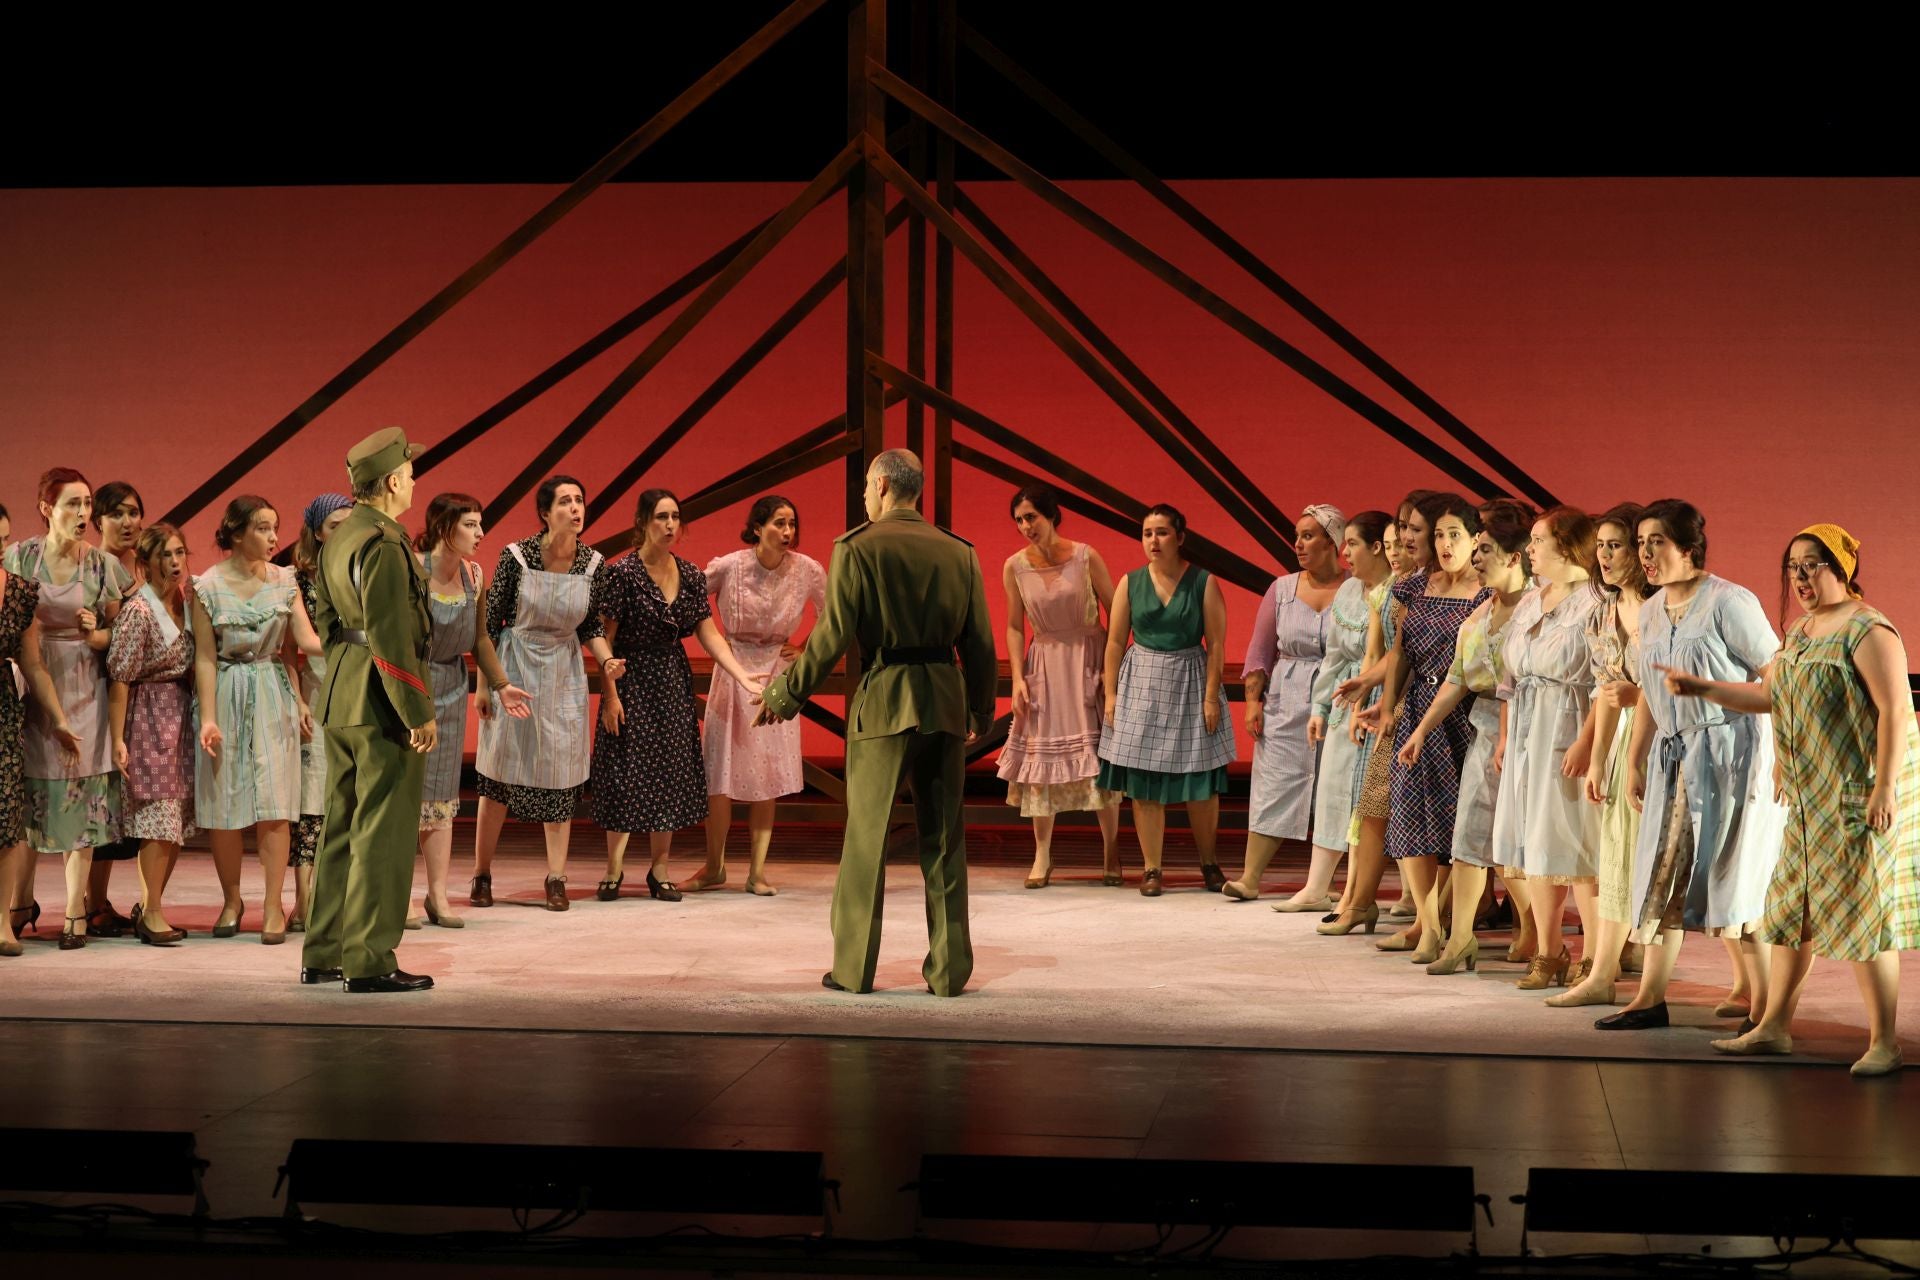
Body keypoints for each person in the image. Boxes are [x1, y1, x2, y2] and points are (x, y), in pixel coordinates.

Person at [1668, 526, 1916, 1077]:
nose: (1800, 577)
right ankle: (1774, 1026)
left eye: (1812, 565)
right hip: (1807, 799)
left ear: (1842, 568)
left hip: (1854, 791)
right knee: (1792, 912)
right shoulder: (1801, 631)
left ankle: (1884, 1042)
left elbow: (1896, 710)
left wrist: (1883, 787)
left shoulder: (1868, 630)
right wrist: (1703, 688)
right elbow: (1771, 696)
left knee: (1864, 912)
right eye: (1793, 567)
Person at [756, 449, 996, 996]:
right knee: (944, 841)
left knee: (867, 841)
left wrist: (786, 692)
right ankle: (949, 972)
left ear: (883, 485)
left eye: (867, 485)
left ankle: (853, 969)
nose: (865, 494)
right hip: (944, 700)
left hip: (886, 699)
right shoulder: (959, 551)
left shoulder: (857, 547)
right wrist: (981, 708)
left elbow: (832, 634)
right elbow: (979, 641)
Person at [1598, 499, 1785, 1033]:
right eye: (1641, 542)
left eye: (1656, 541)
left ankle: (1765, 1008)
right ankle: (1648, 999)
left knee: (1734, 877)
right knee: (1663, 872)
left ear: (1688, 547)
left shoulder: (1729, 601)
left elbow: (1777, 677)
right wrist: (1634, 758)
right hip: (1673, 758)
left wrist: (1782, 755)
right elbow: (1652, 691)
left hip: (1730, 756)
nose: (1645, 553)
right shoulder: (1652, 610)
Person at [300, 428, 439, 993]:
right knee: (382, 831)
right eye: (409, 473)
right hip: (382, 699)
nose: (414, 481)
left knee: (340, 826)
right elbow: (390, 634)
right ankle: (369, 960)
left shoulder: (339, 539)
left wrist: (346, 673)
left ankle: (324, 952)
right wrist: (416, 708)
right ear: (391, 482)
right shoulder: (382, 542)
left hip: (343, 692)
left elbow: (328, 623)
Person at [591, 490, 763, 901]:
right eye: (661, 517)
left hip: (670, 680)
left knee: (668, 773)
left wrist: (742, 676)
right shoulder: (623, 573)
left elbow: (709, 634)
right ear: (643, 522)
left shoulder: (689, 574)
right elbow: (604, 638)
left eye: (674, 517)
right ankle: (613, 868)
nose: (670, 525)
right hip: (630, 678)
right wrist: (610, 697)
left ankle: (660, 869)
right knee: (625, 773)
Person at [470, 475, 624, 912]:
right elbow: (488, 625)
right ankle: (482, 874)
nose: (575, 508)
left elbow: (591, 626)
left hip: (563, 673)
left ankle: (556, 877)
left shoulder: (593, 564)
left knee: (560, 774)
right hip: (513, 668)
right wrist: (485, 686)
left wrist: (606, 661)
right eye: (565, 502)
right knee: (498, 776)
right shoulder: (517, 556)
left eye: (579, 500)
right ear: (545, 512)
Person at [1398, 498, 1535, 974]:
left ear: (1514, 557)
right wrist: (1420, 730)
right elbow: (1457, 679)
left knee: (1523, 845)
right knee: (1469, 839)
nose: (1476, 558)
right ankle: (1459, 941)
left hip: (1533, 731)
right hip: (1486, 729)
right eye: (1476, 549)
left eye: (1485, 550)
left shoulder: (1538, 609)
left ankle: (1542, 934)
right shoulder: (1479, 616)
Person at [1360, 492, 1487, 964]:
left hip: (1464, 714)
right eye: (1439, 535)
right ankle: (1429, 927)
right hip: (1417, 709)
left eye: (1455, 535)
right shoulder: (1415, 587)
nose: (1445, 544)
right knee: (1410, 816)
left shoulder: (1485, 591)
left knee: (1457, 825)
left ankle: (1450, 925)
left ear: (1474, 539)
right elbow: (1400, 653)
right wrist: (1387, 706)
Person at [5, 469, 125, 950]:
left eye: (87, 503)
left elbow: (120, 636)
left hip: (84, 688)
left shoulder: (100, 566)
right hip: (31, 686)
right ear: (46, 509)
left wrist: (96, 633)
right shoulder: (20, 558)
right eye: (72, 504)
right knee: (30, 797)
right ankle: (20, 902)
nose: (83, 513)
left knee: (81, 798)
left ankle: (75, 910)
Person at [193, 494, 320, 942]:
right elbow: (205, 657)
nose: (273, 537)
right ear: (236, 533)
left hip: (270, 690)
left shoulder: (285, 581)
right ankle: (232, 900)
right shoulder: (207, 586)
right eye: (263, 528)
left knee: (275, 803)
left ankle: (272, 904)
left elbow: (303, 640)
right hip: (226, 690)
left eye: (274, 528)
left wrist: (354, 640)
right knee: (225, 805)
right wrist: (208, 718)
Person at [689, 494, 826, 895]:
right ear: (757, 527)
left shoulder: (807, 570)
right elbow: (690, 598)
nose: (787, 531)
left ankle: (757, 871)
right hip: (733, 669)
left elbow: (833, 613)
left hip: (776, 674)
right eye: (779, 523)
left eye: (791, 524)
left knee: (768, 774)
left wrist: (805, 650)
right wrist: (713, 641)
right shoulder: (730, 566)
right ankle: (714, 866)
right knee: (719, 774)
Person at [1097, 504, 1235, 896]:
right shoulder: (1130, 582)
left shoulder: (1202, 582)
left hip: (1190, 679)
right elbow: (1114, 641)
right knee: (1144, 782)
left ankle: (1209, 863)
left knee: (1200, 778)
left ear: (1180, 537)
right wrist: (1111, 694)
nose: (1153, 541)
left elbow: (1217, 643)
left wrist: (1211, 696)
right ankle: (1151, 868)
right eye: (1147, 533)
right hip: (1142, 681)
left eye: (1161, 532)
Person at [1493, 506, 1602, 991]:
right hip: (1527, 729)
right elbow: (1508, 679)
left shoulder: (1596, 602)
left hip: (1571, 723)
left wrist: (1588, 741)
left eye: (1539, 540)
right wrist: (1505, 736)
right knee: (1534, 839)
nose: (1530, 549)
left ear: (1567, 545)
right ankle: (1549, 950)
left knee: (1577, 841)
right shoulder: (1531, 601)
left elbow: (1607, 679)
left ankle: (1595, 956)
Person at [1549, 502, 1652, 1009]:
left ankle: (1750, 984)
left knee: (1664, 863)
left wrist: (1638, 700)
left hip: (1661, 737)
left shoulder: (1662, 608)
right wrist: (1597, 758)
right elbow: (1607, 690)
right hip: (1624, 739)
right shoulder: (1604, 612)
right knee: (1613, 857)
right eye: (1601, 546)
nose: (1605, 556)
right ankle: (1602, 972)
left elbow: (1665, 684)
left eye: (1617, 545)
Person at [995, 484, 1120, 889]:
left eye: (1031, 517)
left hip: (1087, 659)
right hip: (1045, 664)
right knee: (1040, 761)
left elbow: (1117, 613)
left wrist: (1112, 668)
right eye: (1019, 520)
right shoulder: (1015, 566)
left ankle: (1111, 850)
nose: (1025, 526)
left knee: (1097, 759)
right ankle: (1042, 854)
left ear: (1051, 514)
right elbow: (1015, 627)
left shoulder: (1085, 556)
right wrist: (1017, 678)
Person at [414, 493, 529, 927]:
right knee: (406, 797)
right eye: (470, 525)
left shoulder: (474, 575)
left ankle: (438, 895)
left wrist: (501, 685)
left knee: (440, 795)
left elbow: (480, 638)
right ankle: (398, 895)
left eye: (480, 524)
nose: (480, 533)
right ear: (443, 527)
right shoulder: (412, 572)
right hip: (410, 685)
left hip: (450, 686)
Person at [1226, 504, 1347, 904]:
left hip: (1339, 697)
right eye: (1297, 536)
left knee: (1334, 787)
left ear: (1332, 543)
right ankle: (1250, 877)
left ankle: (1326, 882)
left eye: (1308, 536)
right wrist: (1253, 702)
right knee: (1275, 782)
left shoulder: (1355, 589)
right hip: (1286, 697)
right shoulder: (1281, 589)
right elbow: (1260, 651)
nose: (1298, 544)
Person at [106, 524, 196, 945]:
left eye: (179, 553)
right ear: (146, 562)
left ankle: (150, 904)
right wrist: (117, 738)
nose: (175, 562)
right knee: (158, 817)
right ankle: (153, 912)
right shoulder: (140, 610)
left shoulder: (184, 602)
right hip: (148, 715)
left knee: (175, 818)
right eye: (165, 555)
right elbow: (120, 676)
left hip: (180, 713)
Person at [1304, 511, 1394, 927]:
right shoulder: (1349, 591)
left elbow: (1388, 655)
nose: (1345, 553)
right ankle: (1325, 888)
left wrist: (1371, 698)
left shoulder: (1397, 590)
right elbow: (1335, 656)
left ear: (1377, 547)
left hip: (1384, 695)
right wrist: (1320, 707)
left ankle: (1362, 896)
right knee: (1337, 791)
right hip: (1351, 695)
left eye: (1353, 544)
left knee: (1372, 801)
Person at [2, 564, 78, 955]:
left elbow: (32, 662)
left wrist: (59, 719)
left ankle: (2, 923)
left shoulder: (18, 593)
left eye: (3, 539)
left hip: (2, 713)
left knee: (5, 818)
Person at [291, 493, 354, 931]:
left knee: (350, 799)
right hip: (316, 692)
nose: (344, 533)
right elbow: (295, 645)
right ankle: (304, 901)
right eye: (335, 526)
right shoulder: (298, 580)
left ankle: (347, 901)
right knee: (312, 801)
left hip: (358, 690)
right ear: (317, 532)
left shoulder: (362, 572)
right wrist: (296, 700)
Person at [85, 479, 145, 933]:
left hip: (137, 695)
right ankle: (91, 902)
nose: (128, 522)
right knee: (98, 800)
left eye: (133, 512)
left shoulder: (138, 568)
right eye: (117, 514)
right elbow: (94, 636)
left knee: (121, 804)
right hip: (96, 691)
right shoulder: (92, 567)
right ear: (97, 520)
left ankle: (106, 900)